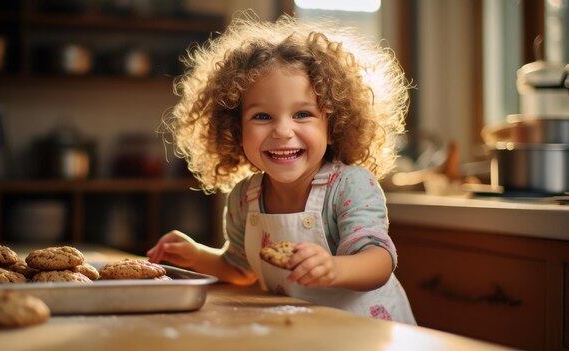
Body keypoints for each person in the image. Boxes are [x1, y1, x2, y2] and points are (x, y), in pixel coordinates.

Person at [147, 12, 416, 324]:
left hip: (370, 334)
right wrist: (197, 255)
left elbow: (379, 262)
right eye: (262, 117)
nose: (283, 131)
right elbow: (241, 269)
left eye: (302, 114)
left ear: (333, 126)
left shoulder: (350, 185)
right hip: (303, 333)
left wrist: (335, 268)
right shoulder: (244, 198)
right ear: (236, 130)